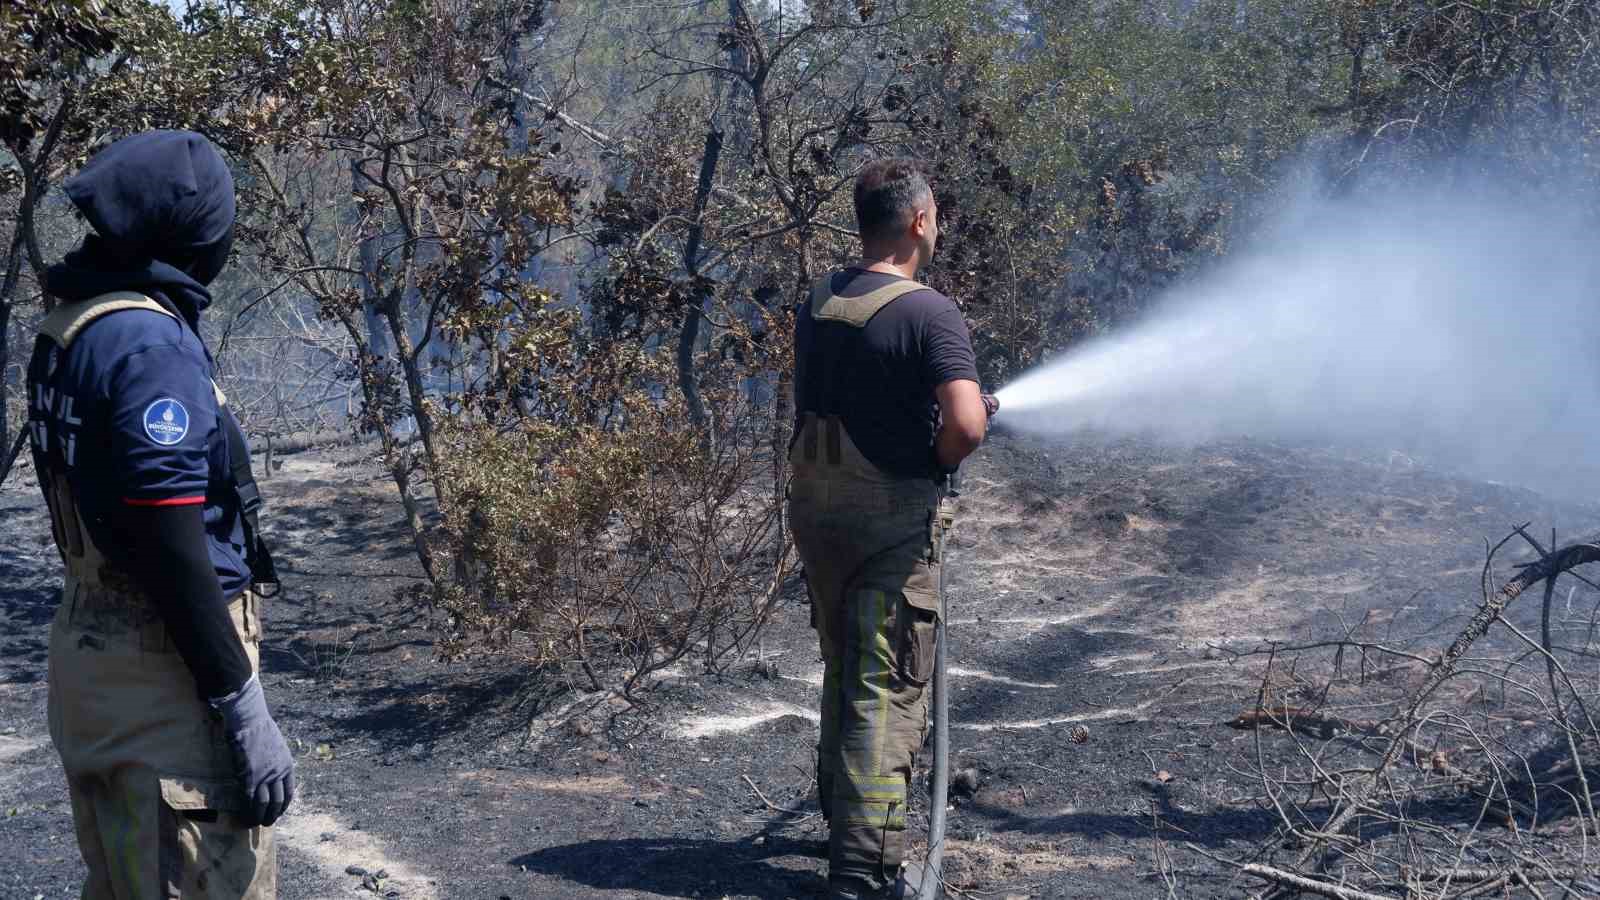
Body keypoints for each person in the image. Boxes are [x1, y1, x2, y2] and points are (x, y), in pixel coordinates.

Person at [26, 130, 292, 899]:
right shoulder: (150, 345)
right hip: (164, 679)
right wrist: (240, 704)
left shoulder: (75, 326)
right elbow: (169, 533)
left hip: (94, 665)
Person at [788, 157, 998, 900]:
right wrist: (940, 456)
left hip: (817, 517)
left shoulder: (820, 298)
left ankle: (842, 826)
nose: (937, 225)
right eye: (934, 214)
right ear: (917, 221)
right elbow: (967, 424)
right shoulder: (927, 312)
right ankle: (865, 871)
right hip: (887, 527)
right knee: (887, 688)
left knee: (846, 668)